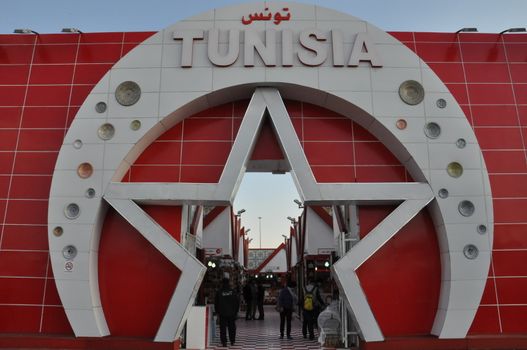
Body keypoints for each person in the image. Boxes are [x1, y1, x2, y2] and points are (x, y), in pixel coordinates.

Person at [215, 278, 240, 347]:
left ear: (222, 283)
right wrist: (236, 311)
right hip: (232, 313)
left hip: (222, 313)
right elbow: (237, 302)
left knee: (222, 328)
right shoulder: (233, 291)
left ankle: (224, 342)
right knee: (232, 327)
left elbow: (216, 303)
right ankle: (232, 341)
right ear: (229, 283)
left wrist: (217, 312)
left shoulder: (219, 292)